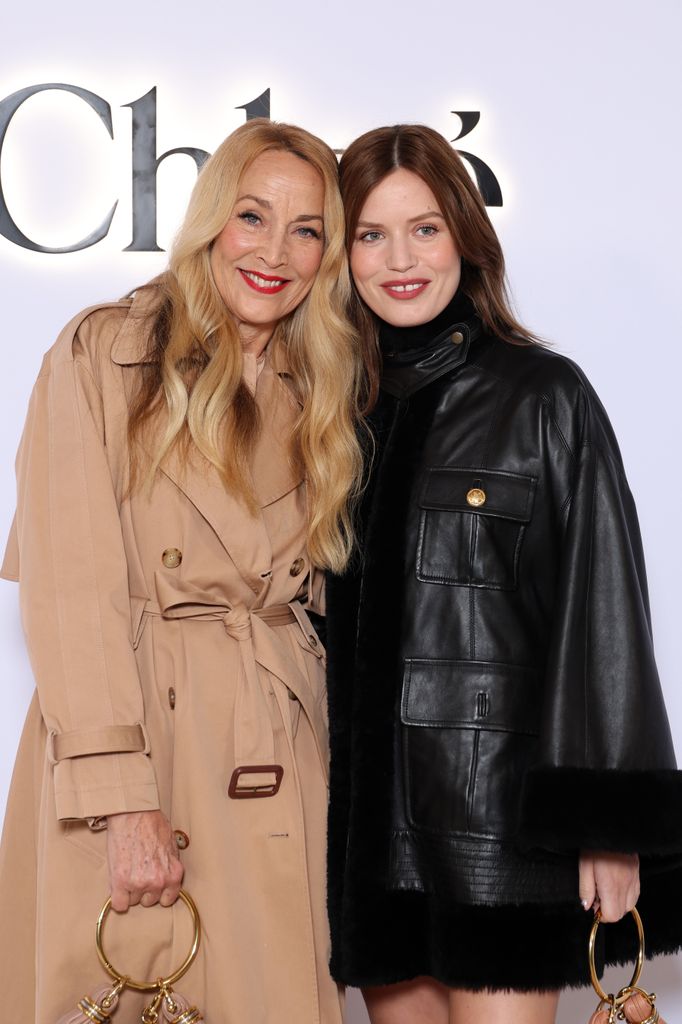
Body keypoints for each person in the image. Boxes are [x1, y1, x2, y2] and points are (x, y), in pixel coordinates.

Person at [0, 117, 364, 1023]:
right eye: (253, 216)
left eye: (307, 228)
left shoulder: (323, 387)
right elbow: (71, 593)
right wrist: (123, 804)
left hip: (282, 750)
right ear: (211, 220)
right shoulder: (103, 355)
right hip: (144, 751)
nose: (275, 251)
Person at [325, 124, 682, 1024]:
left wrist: (607, 828)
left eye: (425, 228)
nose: (399, 259)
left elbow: (602, 614)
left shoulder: (546, 395)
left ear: (466, 239)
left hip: (502, 832)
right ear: (342, 252)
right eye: (371, 234)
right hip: (369, 834)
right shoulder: (322, 411)